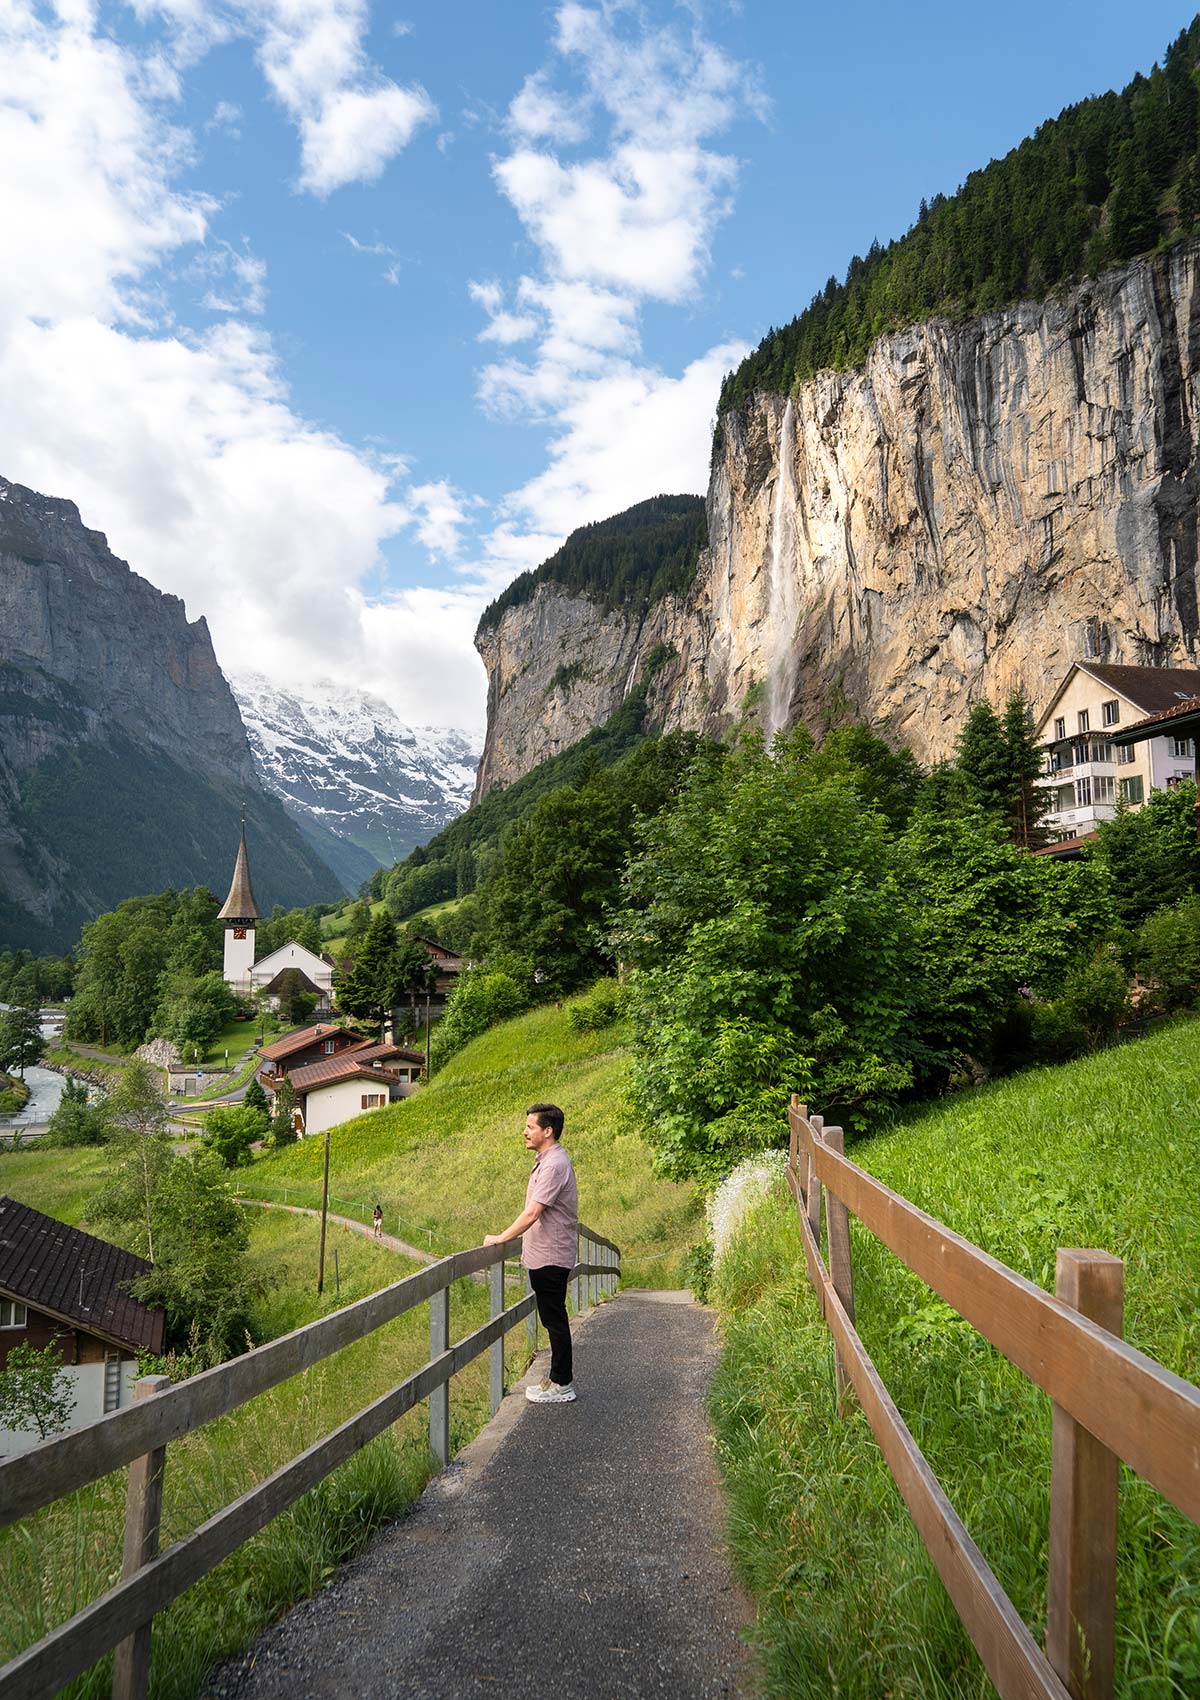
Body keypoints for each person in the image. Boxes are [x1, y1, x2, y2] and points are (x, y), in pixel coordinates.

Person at [484, 1102, 578, 1404]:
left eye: (530, 1127)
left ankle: (563, 1384)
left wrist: (502, 1238)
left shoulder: (553, 1165)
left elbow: (532, 1213)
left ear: (547, 1131)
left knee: (554, 1320)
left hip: (551, 1255)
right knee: (553, 1318)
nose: (524, 1132)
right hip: (546, 1253)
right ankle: (557, 1379)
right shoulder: (547, 1160)